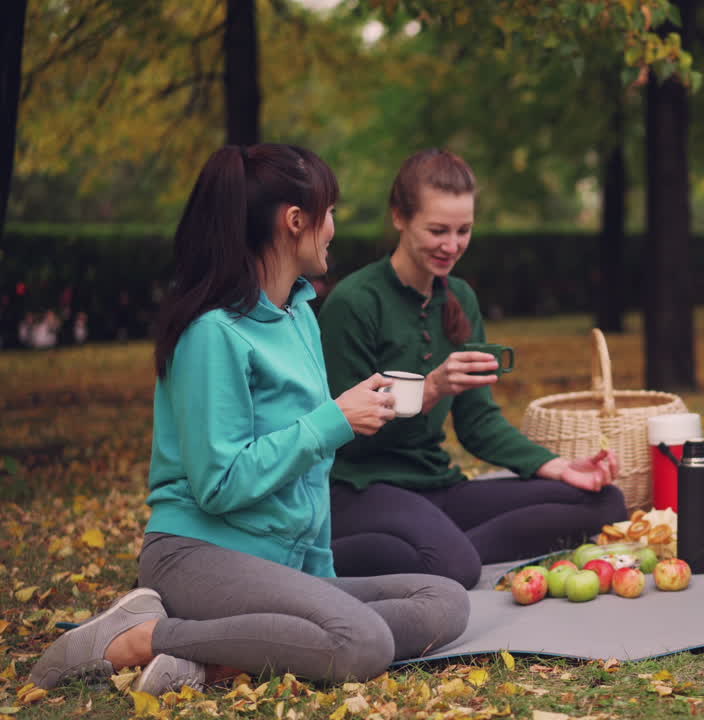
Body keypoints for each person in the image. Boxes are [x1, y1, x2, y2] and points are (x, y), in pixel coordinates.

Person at [29, 144, 469, 695]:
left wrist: (320, 579)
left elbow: (305, 480)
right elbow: (218, 484)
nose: (333, 227)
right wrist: (334, 420)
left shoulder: (300, 315)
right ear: (294, 222)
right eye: (328, 212)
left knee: (444, 600)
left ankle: (215, 662)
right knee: (365, 644)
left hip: (284, 564)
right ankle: (140, 637)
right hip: (197, 556)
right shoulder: (213, 333)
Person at [318, 149, 626, 590]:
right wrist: (430, 389)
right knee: (456, 568)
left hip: (436, 486)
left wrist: (558, 467)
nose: (452, 245)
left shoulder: (460, 296)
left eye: (463, 230)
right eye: (437, 230)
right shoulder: (355, 302)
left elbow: (479, 422)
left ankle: (434, 544)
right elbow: (342, 436)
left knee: (605, 502)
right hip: (360, 487)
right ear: (400, 218)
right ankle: (426, 549)